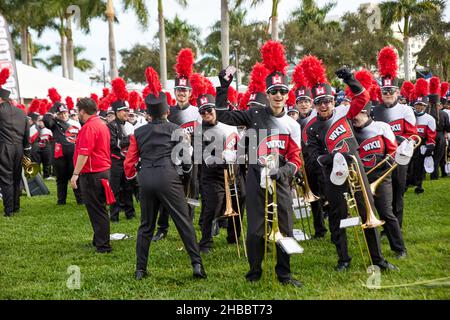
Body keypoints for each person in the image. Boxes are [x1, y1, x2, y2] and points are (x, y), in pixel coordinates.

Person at [216, 41, 303, 287]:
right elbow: (222, 114)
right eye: (273, 91)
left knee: (284, 227)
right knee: (255, 229)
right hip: (255, 179)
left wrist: (284, 172)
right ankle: (254, 271)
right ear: (267, 94)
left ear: (288, 95)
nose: (278, 96)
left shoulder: (293, 125)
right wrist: (224, 87)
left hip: (281, 179)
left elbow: (296, 157)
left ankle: (284, 274)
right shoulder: (254, 114)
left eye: (282, 91)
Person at [303, 57, 397, 272]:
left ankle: (378, 259)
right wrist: (333, 157)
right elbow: (313, 157)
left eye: (327, 100)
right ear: (315, 105)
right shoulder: (311, 127)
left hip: (357, 169)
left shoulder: (345, 112)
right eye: (319, 103)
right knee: (337, 217)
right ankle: (343, 259)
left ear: (333, 101)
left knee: (368, 212)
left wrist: (350, 79)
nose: (324, 105)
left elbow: (362, 97)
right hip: (333, 175)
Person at [124, 67, 206, 280]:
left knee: (145, 227)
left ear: (148, 114)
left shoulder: (138, 132)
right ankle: (197, 265)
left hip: (146, 179)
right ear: (167, 112)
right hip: (169, 177)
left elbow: (129, 162)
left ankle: (140, 269)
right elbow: (186, 158)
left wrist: (135, 181)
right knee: (183, 222)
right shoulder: (175, 129)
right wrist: (186, 178)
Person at [153, 48, 202, 242]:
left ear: (190, 92)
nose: (182, 93)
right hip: (170, 158)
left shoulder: (198, 112)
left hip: (192, 157)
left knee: (191, 192)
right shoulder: (168, 112)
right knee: (165, 193)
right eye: (179, 90)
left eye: (185, 90)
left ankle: (187, 227)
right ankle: (162, 228)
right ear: (174, 92)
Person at [352, 98, 407, 259]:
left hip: (381, 178)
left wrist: (387, 163)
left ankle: (399, 248)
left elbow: (392, 152)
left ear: (365, 112)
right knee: (367, 217)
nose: (353, 118)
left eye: (356, 114)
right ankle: (374, 253)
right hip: (360, 180)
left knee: (386, 212)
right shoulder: (351, 130)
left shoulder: (382, 127)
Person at [371, 47, 417, 229]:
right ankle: (386, 225)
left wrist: (397, 141)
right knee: (382, 194)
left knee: (398, 191)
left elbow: (413, 134)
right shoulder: (375, 111)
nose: (388, 94)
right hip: (381, 158)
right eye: (385, 91)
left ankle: (396, 224)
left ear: (397, 92)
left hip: (400, 156)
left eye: (391, 91)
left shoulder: (406, 110)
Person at [195, 92, 243, 254]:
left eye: (209, 109)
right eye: (202, 111)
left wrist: (239, 155)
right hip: (212, 176)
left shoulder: (229, 124)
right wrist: (221, 158)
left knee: (239, 201)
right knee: (212, 207)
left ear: (215, 109)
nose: (206, 113)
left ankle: (234, 236)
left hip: (234, 173)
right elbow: (202, 156)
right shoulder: (199, 131)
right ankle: (205, 241)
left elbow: (239, 144)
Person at [70, 97, 112, 253]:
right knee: (99, 208)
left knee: (97, 210)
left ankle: (103, 246)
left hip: (93, 173)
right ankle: (99, 240)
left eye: (77, 110)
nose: (77, 113)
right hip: (101, 171)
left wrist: (75, 174)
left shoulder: (89, 127)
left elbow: (84, 153)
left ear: (82, 111)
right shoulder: (101, 124)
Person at [292, 62, 327, 239]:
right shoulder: (294, 123)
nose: (304, 104)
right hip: (307, 164)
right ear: (296, 105)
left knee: (327, 196)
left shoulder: (318, 118)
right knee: (313, 198)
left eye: (306, 101)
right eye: (300, 102)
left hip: (322, 161)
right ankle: (319, 229)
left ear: (311, 103)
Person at [43, 88, 83, 205]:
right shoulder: (54, 123)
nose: (63, 115)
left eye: (65, 113)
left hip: (73, 153)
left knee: (75, 177)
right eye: (60, 113)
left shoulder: (76, 123)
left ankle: (80, 200)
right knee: (61, 179)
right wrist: (55, 106)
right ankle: (61, 201)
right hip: (59, 155)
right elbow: (46, 119)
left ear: (68, 113)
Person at [0, 68, 31, 217]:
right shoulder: (21, 112)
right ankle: (16, 206)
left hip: (4, 148)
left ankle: (9, 210)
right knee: (16, 177)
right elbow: (27, 135)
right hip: (19, 148)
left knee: (6, 178)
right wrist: (27, 152)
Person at [108, 78, 136, 222]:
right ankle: (114, 215)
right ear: (117, 112)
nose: (127, 113)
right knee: (115, 189)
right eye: (124, 110)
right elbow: (114, 143)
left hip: (128, 161)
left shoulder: (130, 125)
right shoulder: (111, 125)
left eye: (127, 110)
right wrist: (130, 139)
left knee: (128, 188)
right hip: (116, 161)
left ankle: (130, 213)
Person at [407, 79, 436, 194]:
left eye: (421, 105)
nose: (419, 107)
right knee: (408, 165)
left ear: (425, 106)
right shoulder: (410, 116)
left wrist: (429, 145)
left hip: (421, 145)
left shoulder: (430, 119)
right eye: (417, 105)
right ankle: (406, 184)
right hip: (409, 144)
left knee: (419, 166)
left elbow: (431, 135)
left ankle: (419, 185)